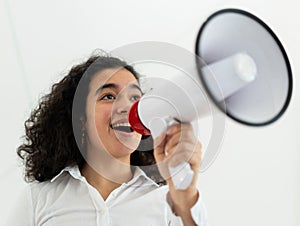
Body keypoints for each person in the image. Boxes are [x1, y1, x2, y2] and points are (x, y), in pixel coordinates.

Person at [7, 52, 208, 226]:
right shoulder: (39, 199)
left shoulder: (168, 203)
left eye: (135, 98)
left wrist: (184, 200)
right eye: (108, 96)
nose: (127, 108)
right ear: (81, 119)